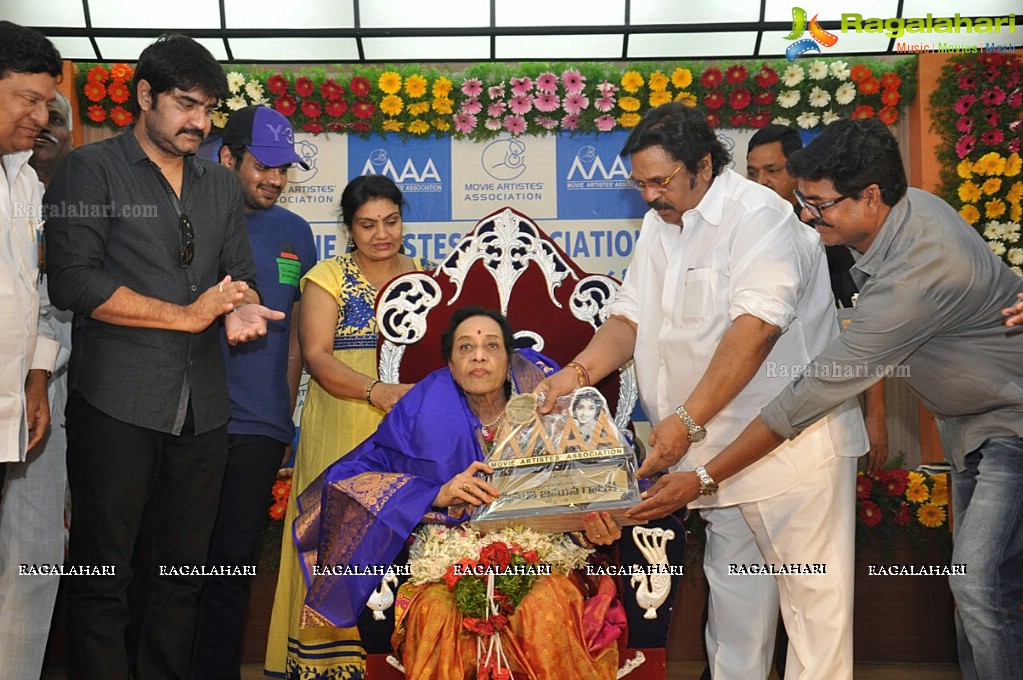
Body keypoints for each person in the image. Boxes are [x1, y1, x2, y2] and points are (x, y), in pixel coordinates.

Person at [671, 117, 1023, 680]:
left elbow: (808, 396)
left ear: (872, 196)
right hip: (968, 428)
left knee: (977, 580)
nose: (808, 216)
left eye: (820, 204)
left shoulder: (921, 272)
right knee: (984, 589)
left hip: (1012, 422)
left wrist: (705, 476)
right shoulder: (910, 213)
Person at [538, 103, 868, 680]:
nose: (648, 196)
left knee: (815, 620)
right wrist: (575, 374)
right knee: (736, 619)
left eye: (659, 181)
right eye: (639, 183)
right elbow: (628, 321)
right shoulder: (658, 224)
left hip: (791, 453)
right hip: (713, 459)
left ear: (704, 166)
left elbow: (757, 328)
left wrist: (685, 421)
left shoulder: (760, 218)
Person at [44, 34, 284, 679]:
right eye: (185, 104)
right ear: (145, 96)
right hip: (115, 403)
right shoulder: (89, 170)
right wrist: (186, 315)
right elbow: (73, 280)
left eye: (207, 108)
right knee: (105, 575)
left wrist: (241, 304)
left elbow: (239, 272)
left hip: (203, 410)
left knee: (181, 578)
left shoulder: (219, 185)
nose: (199, 123)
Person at [293, 306, 625, 679]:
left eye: (492, 346)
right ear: (451, 366)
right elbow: (348, 483)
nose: (479, 356)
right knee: (437, 614)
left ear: (508, 359)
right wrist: (433, 494)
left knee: (542, 606)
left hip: (544, 561)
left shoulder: (551, 408)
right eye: (465, 348)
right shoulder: (418, 413)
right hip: (445, 565)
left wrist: (590, 526)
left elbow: (592, 488)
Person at [264, 174, 428, 678]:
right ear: (349, 229)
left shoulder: (425, 276)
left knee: (404, 535)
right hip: (343, 417)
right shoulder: (326, 277)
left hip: (407, 427)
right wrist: (375, 391)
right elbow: (315, 355)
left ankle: (397, 655)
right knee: (336, 534)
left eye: (391, 221)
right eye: (367, 224)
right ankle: (328, 661)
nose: (382, 234)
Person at [191, 106, 317, 680]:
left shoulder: (296, 232)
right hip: (190, 420)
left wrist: (283, 414)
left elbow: (293, 335)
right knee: (177, 565)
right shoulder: (190, 216)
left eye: (284, 168)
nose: (276, 178)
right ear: (226, 157)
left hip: (260, 426)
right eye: (263, 165)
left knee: (231, 569)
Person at [748, 124, 889, 473]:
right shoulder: (743, 240)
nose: (761, 182)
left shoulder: (828, 235)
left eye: (773, 171)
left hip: (819, 420)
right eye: (752, 173)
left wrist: (875, 413)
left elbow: (865, 329)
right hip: (750, 419)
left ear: (797, 173)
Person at [0, 23, 63, 676]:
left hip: (17, 405)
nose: (40, 117)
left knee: (25, 562)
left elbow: (37, 295)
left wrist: (39, 375)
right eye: (27, 98)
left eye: (47, 102)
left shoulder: (26, 186)